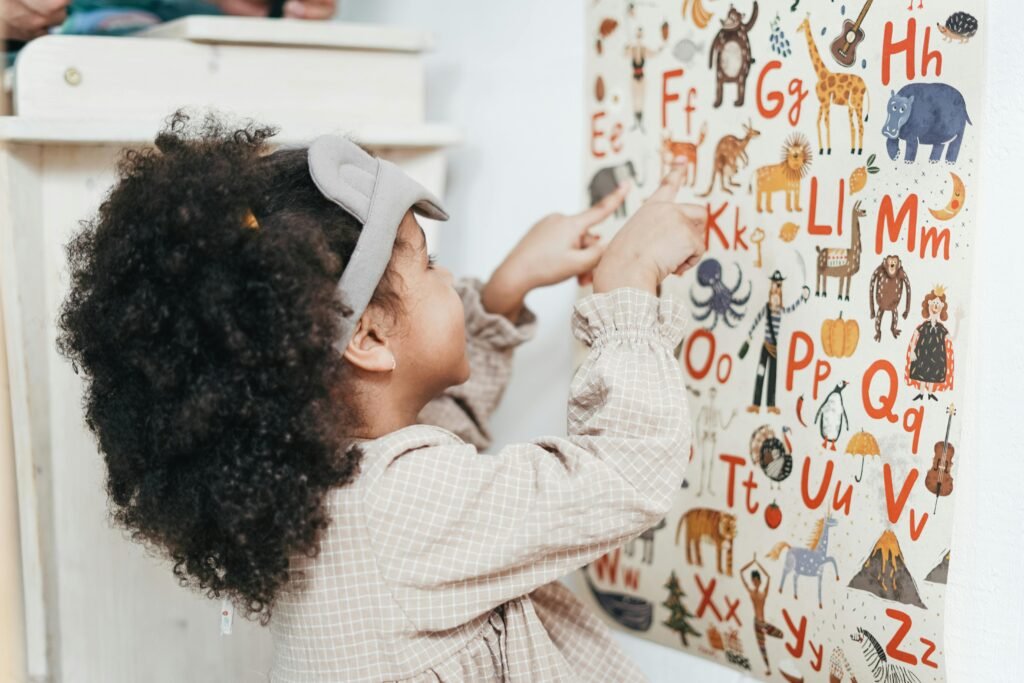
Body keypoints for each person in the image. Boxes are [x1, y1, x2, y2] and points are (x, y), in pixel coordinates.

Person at [55, 110, 707, 681]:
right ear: (365, 335)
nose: (448, 274)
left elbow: (435, 439)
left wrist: (506, 290)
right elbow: (626, 470)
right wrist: (629, 283)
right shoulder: (400, 510)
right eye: (426, 263)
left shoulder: (318, 491)